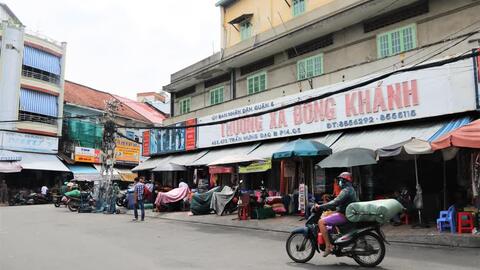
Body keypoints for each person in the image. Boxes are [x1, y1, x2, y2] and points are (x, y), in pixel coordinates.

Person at [314, 172, 357, 257]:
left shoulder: (345, 191)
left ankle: (328, 246)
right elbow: (338, 200)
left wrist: (320, 206)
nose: (339, 182)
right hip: (345, 213)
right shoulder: (351, 189)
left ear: (344, 181)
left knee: (321, 222)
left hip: (343, 215)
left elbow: (335, 202)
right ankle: (335, 238)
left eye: (340, 180)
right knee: (328, 216)